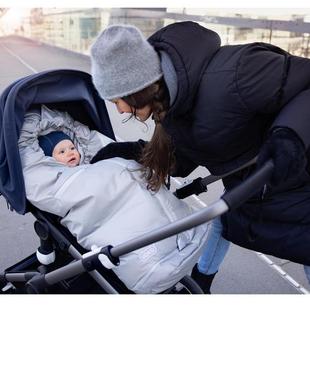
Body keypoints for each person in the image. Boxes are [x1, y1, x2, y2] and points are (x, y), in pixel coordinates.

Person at [89, 21, 310, 293]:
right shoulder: (172, 107)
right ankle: (200, 285)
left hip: (300, 176)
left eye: (118, 100)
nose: (121, 110)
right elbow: (185, 156)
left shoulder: (237, 72)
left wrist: (290, 135)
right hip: (256, 188)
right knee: (222, 221)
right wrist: (134, 152)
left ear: (137, 86)